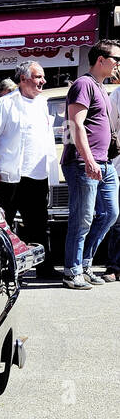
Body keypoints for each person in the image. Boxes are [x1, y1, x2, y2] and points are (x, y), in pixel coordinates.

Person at [0, 60, 56, 276]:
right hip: (9, 177)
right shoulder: (5, 103)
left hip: (37, 174)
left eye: (43, 77)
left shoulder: (43, 103)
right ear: (23, 79)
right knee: (3, 225)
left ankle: (45, 269)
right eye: (38, 77)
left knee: (39, 224)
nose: (42, 81)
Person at [60, 40, 120, 288]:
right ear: (101, 60)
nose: (118, 64)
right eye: (116, 58)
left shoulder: (100, 88)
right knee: (82, 218)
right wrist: (88, 160)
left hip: (105, 164)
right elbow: (76, 125)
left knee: (110, 214)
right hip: (84, 163)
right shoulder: (84, 84)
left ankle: (84, 264)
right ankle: (71, 270)